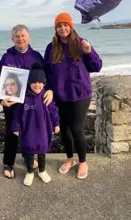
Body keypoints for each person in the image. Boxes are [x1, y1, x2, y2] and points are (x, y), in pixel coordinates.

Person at [43, 12, 102, 179]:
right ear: (56, 29)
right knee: (64, 131)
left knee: (76, 129)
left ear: (71, 26)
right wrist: (48, 88)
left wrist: (89, 52)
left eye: (65, 25)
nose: (62, 28)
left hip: (80, 94)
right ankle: (70, 160)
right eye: (59, 26)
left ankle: (83, 162)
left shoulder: (81, 44)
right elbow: (46, 71)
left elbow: (96, 67)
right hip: (59, 96)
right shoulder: (51, 47)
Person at [0, 24, 54, 179]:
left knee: (30, 132)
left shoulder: (36, 56)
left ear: (29, 37)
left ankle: (28, 158)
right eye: (17, 36)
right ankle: (8, 163)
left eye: (23, 35)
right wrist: (1, 99)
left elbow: (45, 76)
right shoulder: (7, 57)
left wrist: (49, 89)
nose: (20, 38)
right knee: (12, 132)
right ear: (12, 39)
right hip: (12, 104)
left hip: (32, 103)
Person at [12, 62, 60, 186]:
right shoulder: (23, 98)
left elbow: (54, 111)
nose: (37, 85)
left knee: (42, 152)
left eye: (40, 83)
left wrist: (56, 124)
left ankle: (42, 171)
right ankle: (29, 172)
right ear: (29, 83)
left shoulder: (46, 97)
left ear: (44, 84)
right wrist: (16, 127)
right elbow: (17, 114)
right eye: (34, 82)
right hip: (28, 131)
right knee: (29, 152)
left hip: (43, 130)